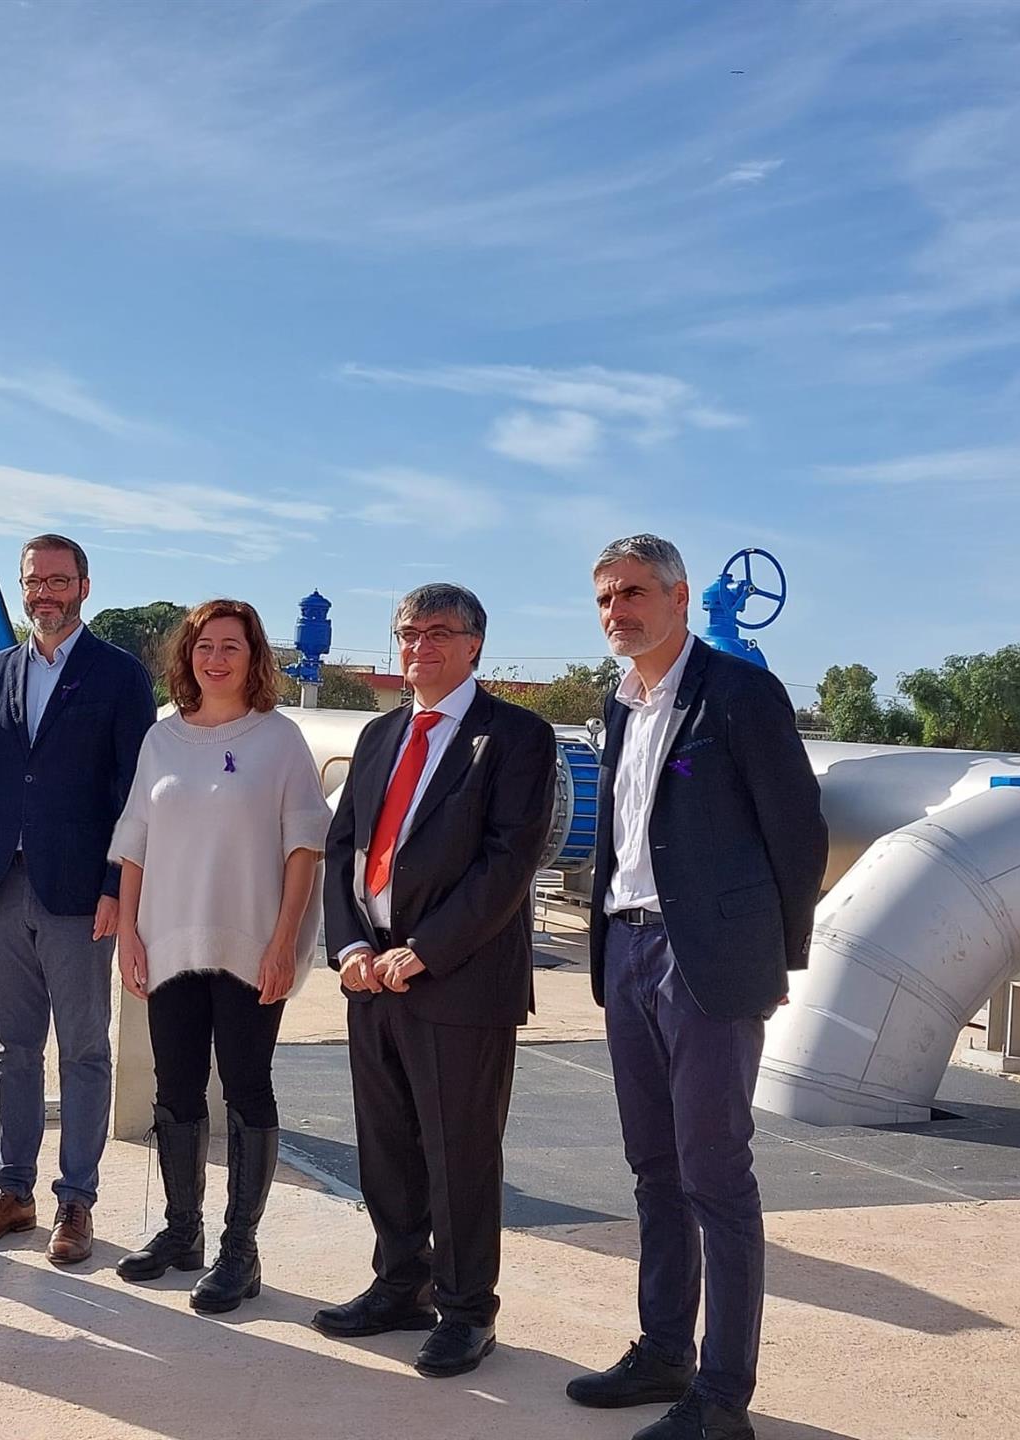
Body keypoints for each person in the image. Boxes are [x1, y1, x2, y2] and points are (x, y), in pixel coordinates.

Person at [569, 535, 826, 1440]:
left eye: (633, 593)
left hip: (707, 962)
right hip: (629, 951)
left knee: (716, 1174)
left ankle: (723, 1399)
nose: (617, 612)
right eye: (604, 598)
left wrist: (776, 960)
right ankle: (663, 1350)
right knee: (653, 1169)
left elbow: (797, 834)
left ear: (681, 598)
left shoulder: (740, 694)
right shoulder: (623, 703)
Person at [311, 583, 557, 1379]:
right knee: (385, 1146)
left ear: (475, 645)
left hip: (457, 979)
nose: (421, 647)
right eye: (409, 633)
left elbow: (509, 861)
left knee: (459, 1154)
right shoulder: (381, 733)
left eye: (440, 633)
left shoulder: (514, 737)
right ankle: (399, 1283)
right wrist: (348, 947)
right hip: (371, 976)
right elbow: (344, 847)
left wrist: (426, 949)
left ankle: (466, 1310)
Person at [108, 599, 329, 1311]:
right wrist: (130, 932)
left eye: (231, 646)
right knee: (174, 1090)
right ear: (188, 655)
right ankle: (182, 1233)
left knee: (245, 1087)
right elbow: (136, 840)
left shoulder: (279, 740)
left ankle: (241, 1251)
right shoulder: (161, 739)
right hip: (170, 942)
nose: (216, 658)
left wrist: (285, 941)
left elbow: (305, 849)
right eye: (205, 646)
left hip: (248, 946)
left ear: (253, 656)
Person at [0, 535, 156, 1265]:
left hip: (77, 896)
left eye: (59, 581)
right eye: (35, 581)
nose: (45, 594)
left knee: (86, 1051)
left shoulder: (120, 677)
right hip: (2, 887)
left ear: (85, 588)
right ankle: (14, 1192)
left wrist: (114, 890)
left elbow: (133, 794)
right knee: (14, 1048)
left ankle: (76, 1201)